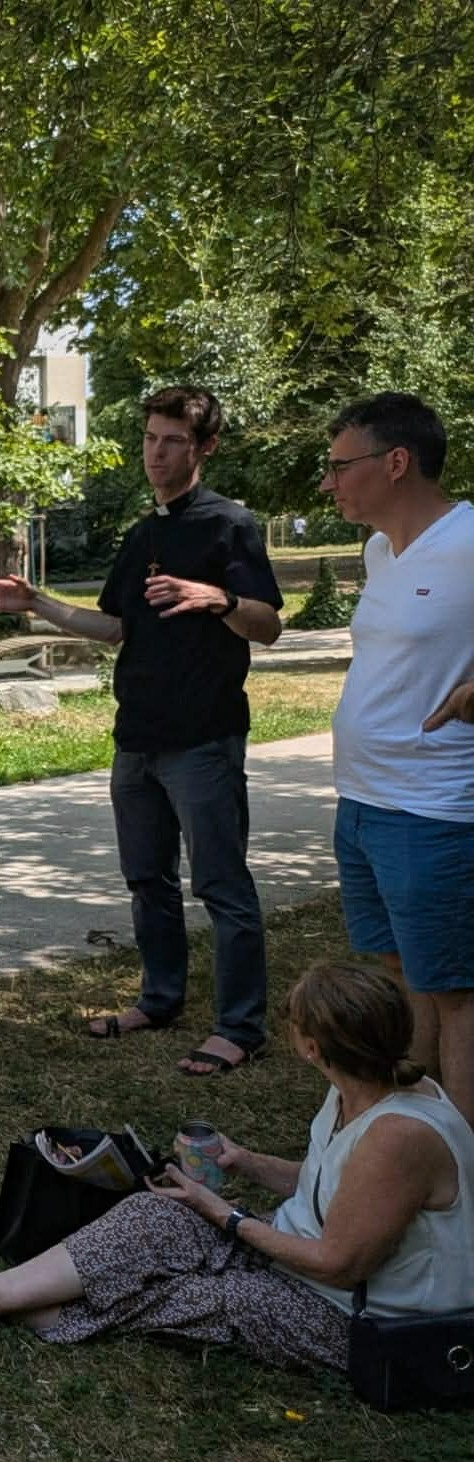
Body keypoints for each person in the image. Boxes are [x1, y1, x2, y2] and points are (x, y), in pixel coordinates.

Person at [0, 962, 474, 1367]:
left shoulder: (399, 1133)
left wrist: (222, 1214)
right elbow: (331, 1186)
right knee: (152, 1215)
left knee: (202, 1295)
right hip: (312, 1266)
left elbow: (342, 1262)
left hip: (366, 1325)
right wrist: (244, 1161)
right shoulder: (363, 1084)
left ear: (311, 1046)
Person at [0, 386, 284, 1077]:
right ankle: (161, 998)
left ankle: (240, 1026)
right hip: (135, 737)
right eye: (149, 438)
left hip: (203, 738)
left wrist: (219, 598)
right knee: (147, 879)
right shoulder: (144, 535)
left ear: (204, 448)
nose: (156, 453)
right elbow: (114, 627)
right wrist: (37, 604)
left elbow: (268, 623)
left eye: (173, 441)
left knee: (222, 885)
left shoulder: (231, 526)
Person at [319, 392, 474, 1121]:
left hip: (436, 808)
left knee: (457, 991)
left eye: (340, 466)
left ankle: (463, 1172)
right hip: (364, 803)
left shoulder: (470, 538)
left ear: (397, 462)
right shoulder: (382, 551)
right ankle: (418, 1131)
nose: (329, 482)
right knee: (403, 970)